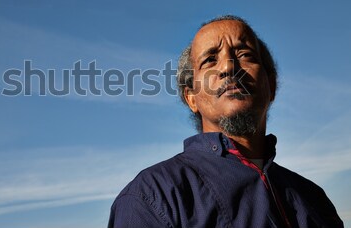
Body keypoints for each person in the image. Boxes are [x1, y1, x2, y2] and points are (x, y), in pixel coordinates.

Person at [108, 15, 343, 228]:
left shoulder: (314, 199)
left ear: (270, 86)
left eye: (245, 55)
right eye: (210, 60)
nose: (229, 67)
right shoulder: (152, 197)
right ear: (191, 97)